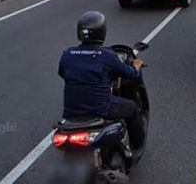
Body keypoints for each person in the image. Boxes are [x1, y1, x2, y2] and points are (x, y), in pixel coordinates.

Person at [58, 11, 146, 149]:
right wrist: (136, 65)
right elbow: (130, 74)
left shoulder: (67, 54)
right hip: (101, 108)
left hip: (71, 112)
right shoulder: (107, 56)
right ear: (102, 32)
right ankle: (137, 146)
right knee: (132, 108)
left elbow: (63, 74)